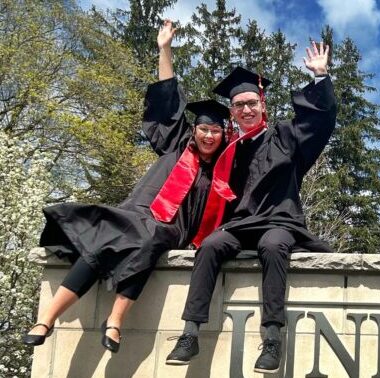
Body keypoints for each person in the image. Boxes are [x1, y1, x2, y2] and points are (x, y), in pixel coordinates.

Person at [22, 20, 229, 353]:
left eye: (215, 131)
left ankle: (115, 319)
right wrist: (165, 50)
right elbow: (168, 100)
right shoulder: (177, 144)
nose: (208, 135)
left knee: (149, 238)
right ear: (195, 131)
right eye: (203, 129)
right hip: (138, 210)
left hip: (169, 227)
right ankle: (46, 318)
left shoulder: (220, 172)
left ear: (223, 136)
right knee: (104, 240)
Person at [165, 41, 337, 373]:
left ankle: (272, 338)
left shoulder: (285, 136)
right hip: (243, 225)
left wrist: (320, 76)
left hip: (279, 221)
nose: (246, 110)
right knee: (211, 245)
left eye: (251, 103)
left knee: (273, 247)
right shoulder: (229, 150)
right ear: (231, 112)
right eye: (239, 105)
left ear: (262, 104)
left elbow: (319, 123)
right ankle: (190, 333)